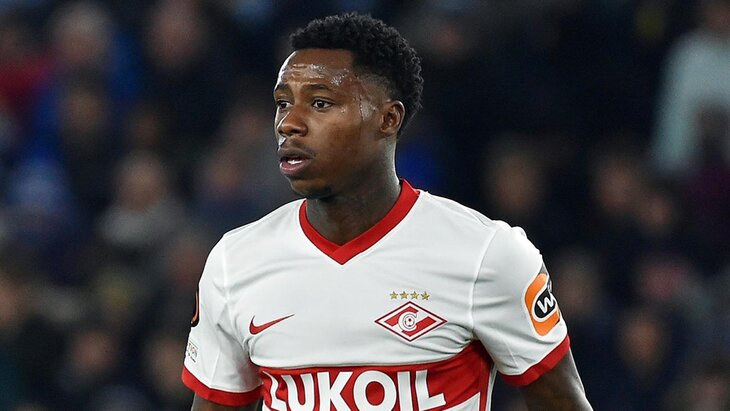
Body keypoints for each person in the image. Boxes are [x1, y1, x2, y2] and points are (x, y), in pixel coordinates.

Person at [182, 13, 592, 411]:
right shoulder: (234, 263)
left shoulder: (487, 255)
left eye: (320, 103)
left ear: (388, 119)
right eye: (283, 103)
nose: (289, 123)